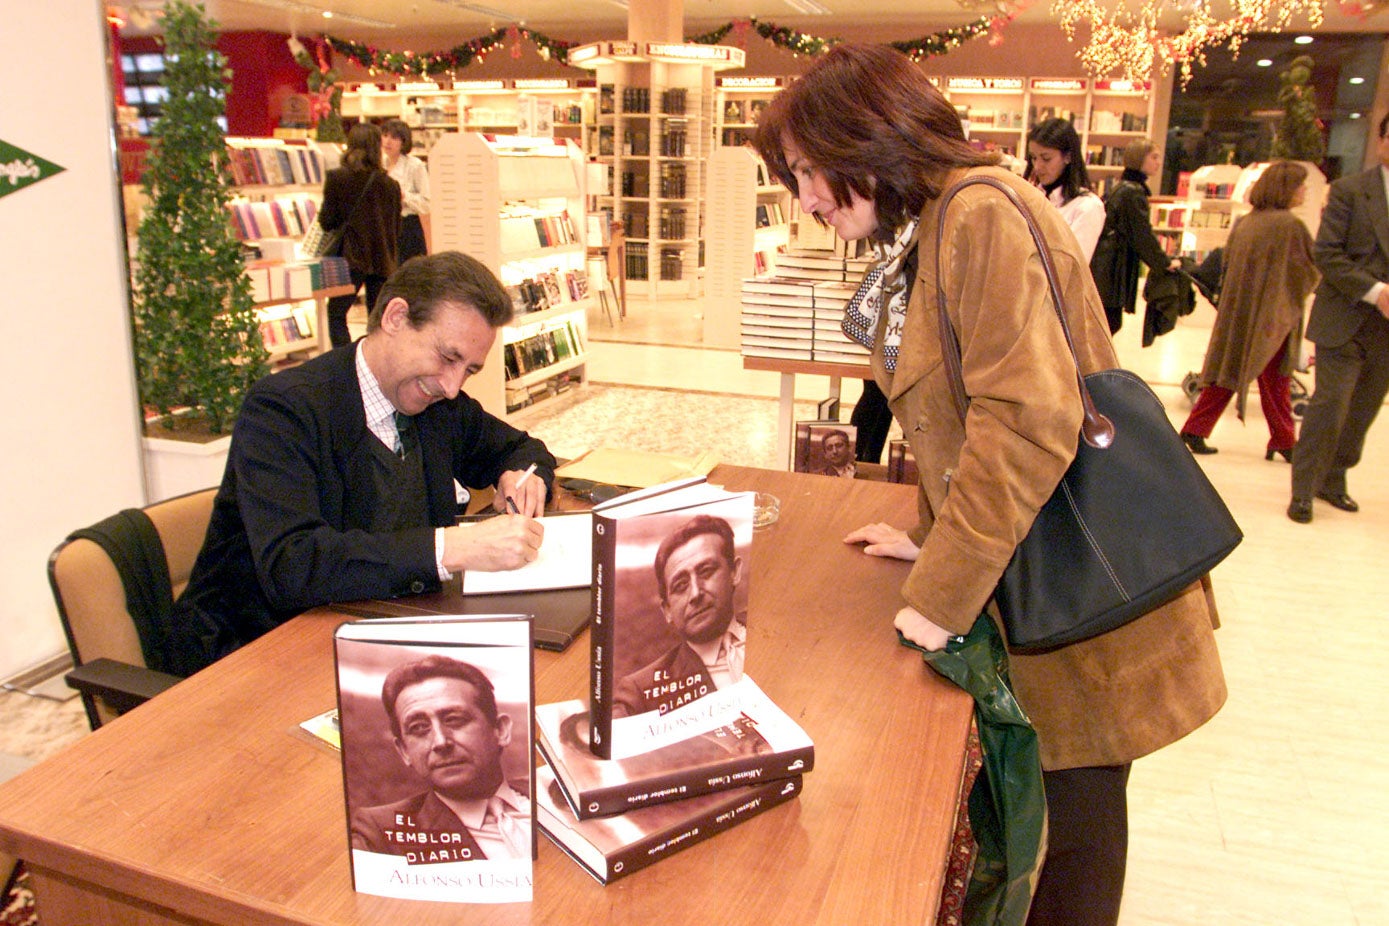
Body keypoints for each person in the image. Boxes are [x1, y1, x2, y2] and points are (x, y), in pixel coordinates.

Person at [752, 45, 1225, 926]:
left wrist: (939, 590)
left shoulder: (977, 215)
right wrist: (929, 536)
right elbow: (957, 418)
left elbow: (1026, 420)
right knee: (1059, 801)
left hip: (1076, 580)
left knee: (1079, 811)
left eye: (808, 171)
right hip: (1035, 563)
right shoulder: (943, 221)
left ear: (865, 138)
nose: (804, 198)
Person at [169, 251, 557, 676]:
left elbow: (524, 450)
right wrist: (450, 548)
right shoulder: (283, 409)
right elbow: (293, 564)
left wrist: (521, 477)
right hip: (254, 651)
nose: (451, 386)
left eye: (469, 370)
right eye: (448, 358)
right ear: (394, 317)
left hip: (380, 631)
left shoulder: (438, 406)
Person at [1179, 162, 1319, 459]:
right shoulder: (1290, 226)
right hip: (1272, 316)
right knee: (1276, 379)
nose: (1304, 190)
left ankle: (1196, 429)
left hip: (1241, 313)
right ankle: (1283, 440)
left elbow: (1229, 266)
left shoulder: (1247, 222)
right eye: (1300, 185)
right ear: (1287, 189)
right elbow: (1306, 271)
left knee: (1228, 372)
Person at [1288, 113, 1389, 524]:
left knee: (1364, 408)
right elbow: (1327, 254)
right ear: (1381, 141)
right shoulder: (1351, 192)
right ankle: (1303, 489)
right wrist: (1377, 292)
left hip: (1384, 332)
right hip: (1344, 318)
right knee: (1330, 404)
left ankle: (1335, 477)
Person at [350, 655, 529, 861]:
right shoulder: (378, 834)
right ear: (404, 751)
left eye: (454, 720)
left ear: (500, 730)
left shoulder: (547, 791)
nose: (441, 742)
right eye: (418, 728)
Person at [612, 514, 747, 717]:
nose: (695, 594)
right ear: (667, 610)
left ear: (734, 572)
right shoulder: (638, 693)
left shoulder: (769, 628)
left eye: (706, 571)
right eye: (681, 586)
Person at [1090, 137, 1183, 334]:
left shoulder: (1123, 187)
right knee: (1108, 323)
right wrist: (1164, 263)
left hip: (1106, 266)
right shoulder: (1132, 192)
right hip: (1111, 270)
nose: (1159, 162)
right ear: (1139, 158)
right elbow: (1142, 235)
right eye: (1154, 157)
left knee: (1107, 323)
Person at [321, 121, 401, 347]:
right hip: (383, 260)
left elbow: (328, 221)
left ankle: (345, 363)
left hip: (349, 259)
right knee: (378, 321)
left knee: (336, 314)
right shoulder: (390, 184)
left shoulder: (337, 178)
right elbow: (396, 227)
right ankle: (375, 364)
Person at [1024, 117, 1105, 261]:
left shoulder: (1087, 206)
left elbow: (1073, 266)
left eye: (1046, 158)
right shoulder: (1031, 197)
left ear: (1068, 157)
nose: (1037, 166)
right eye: (1033, 158)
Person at [381, 118, 431, 265]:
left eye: (394, 137)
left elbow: (426, 203)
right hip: (385, 228)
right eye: (385, 135)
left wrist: (403, 196)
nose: (388, 141)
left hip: (407, 228)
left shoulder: (415, 166)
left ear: (404, 141)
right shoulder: (380, 164)